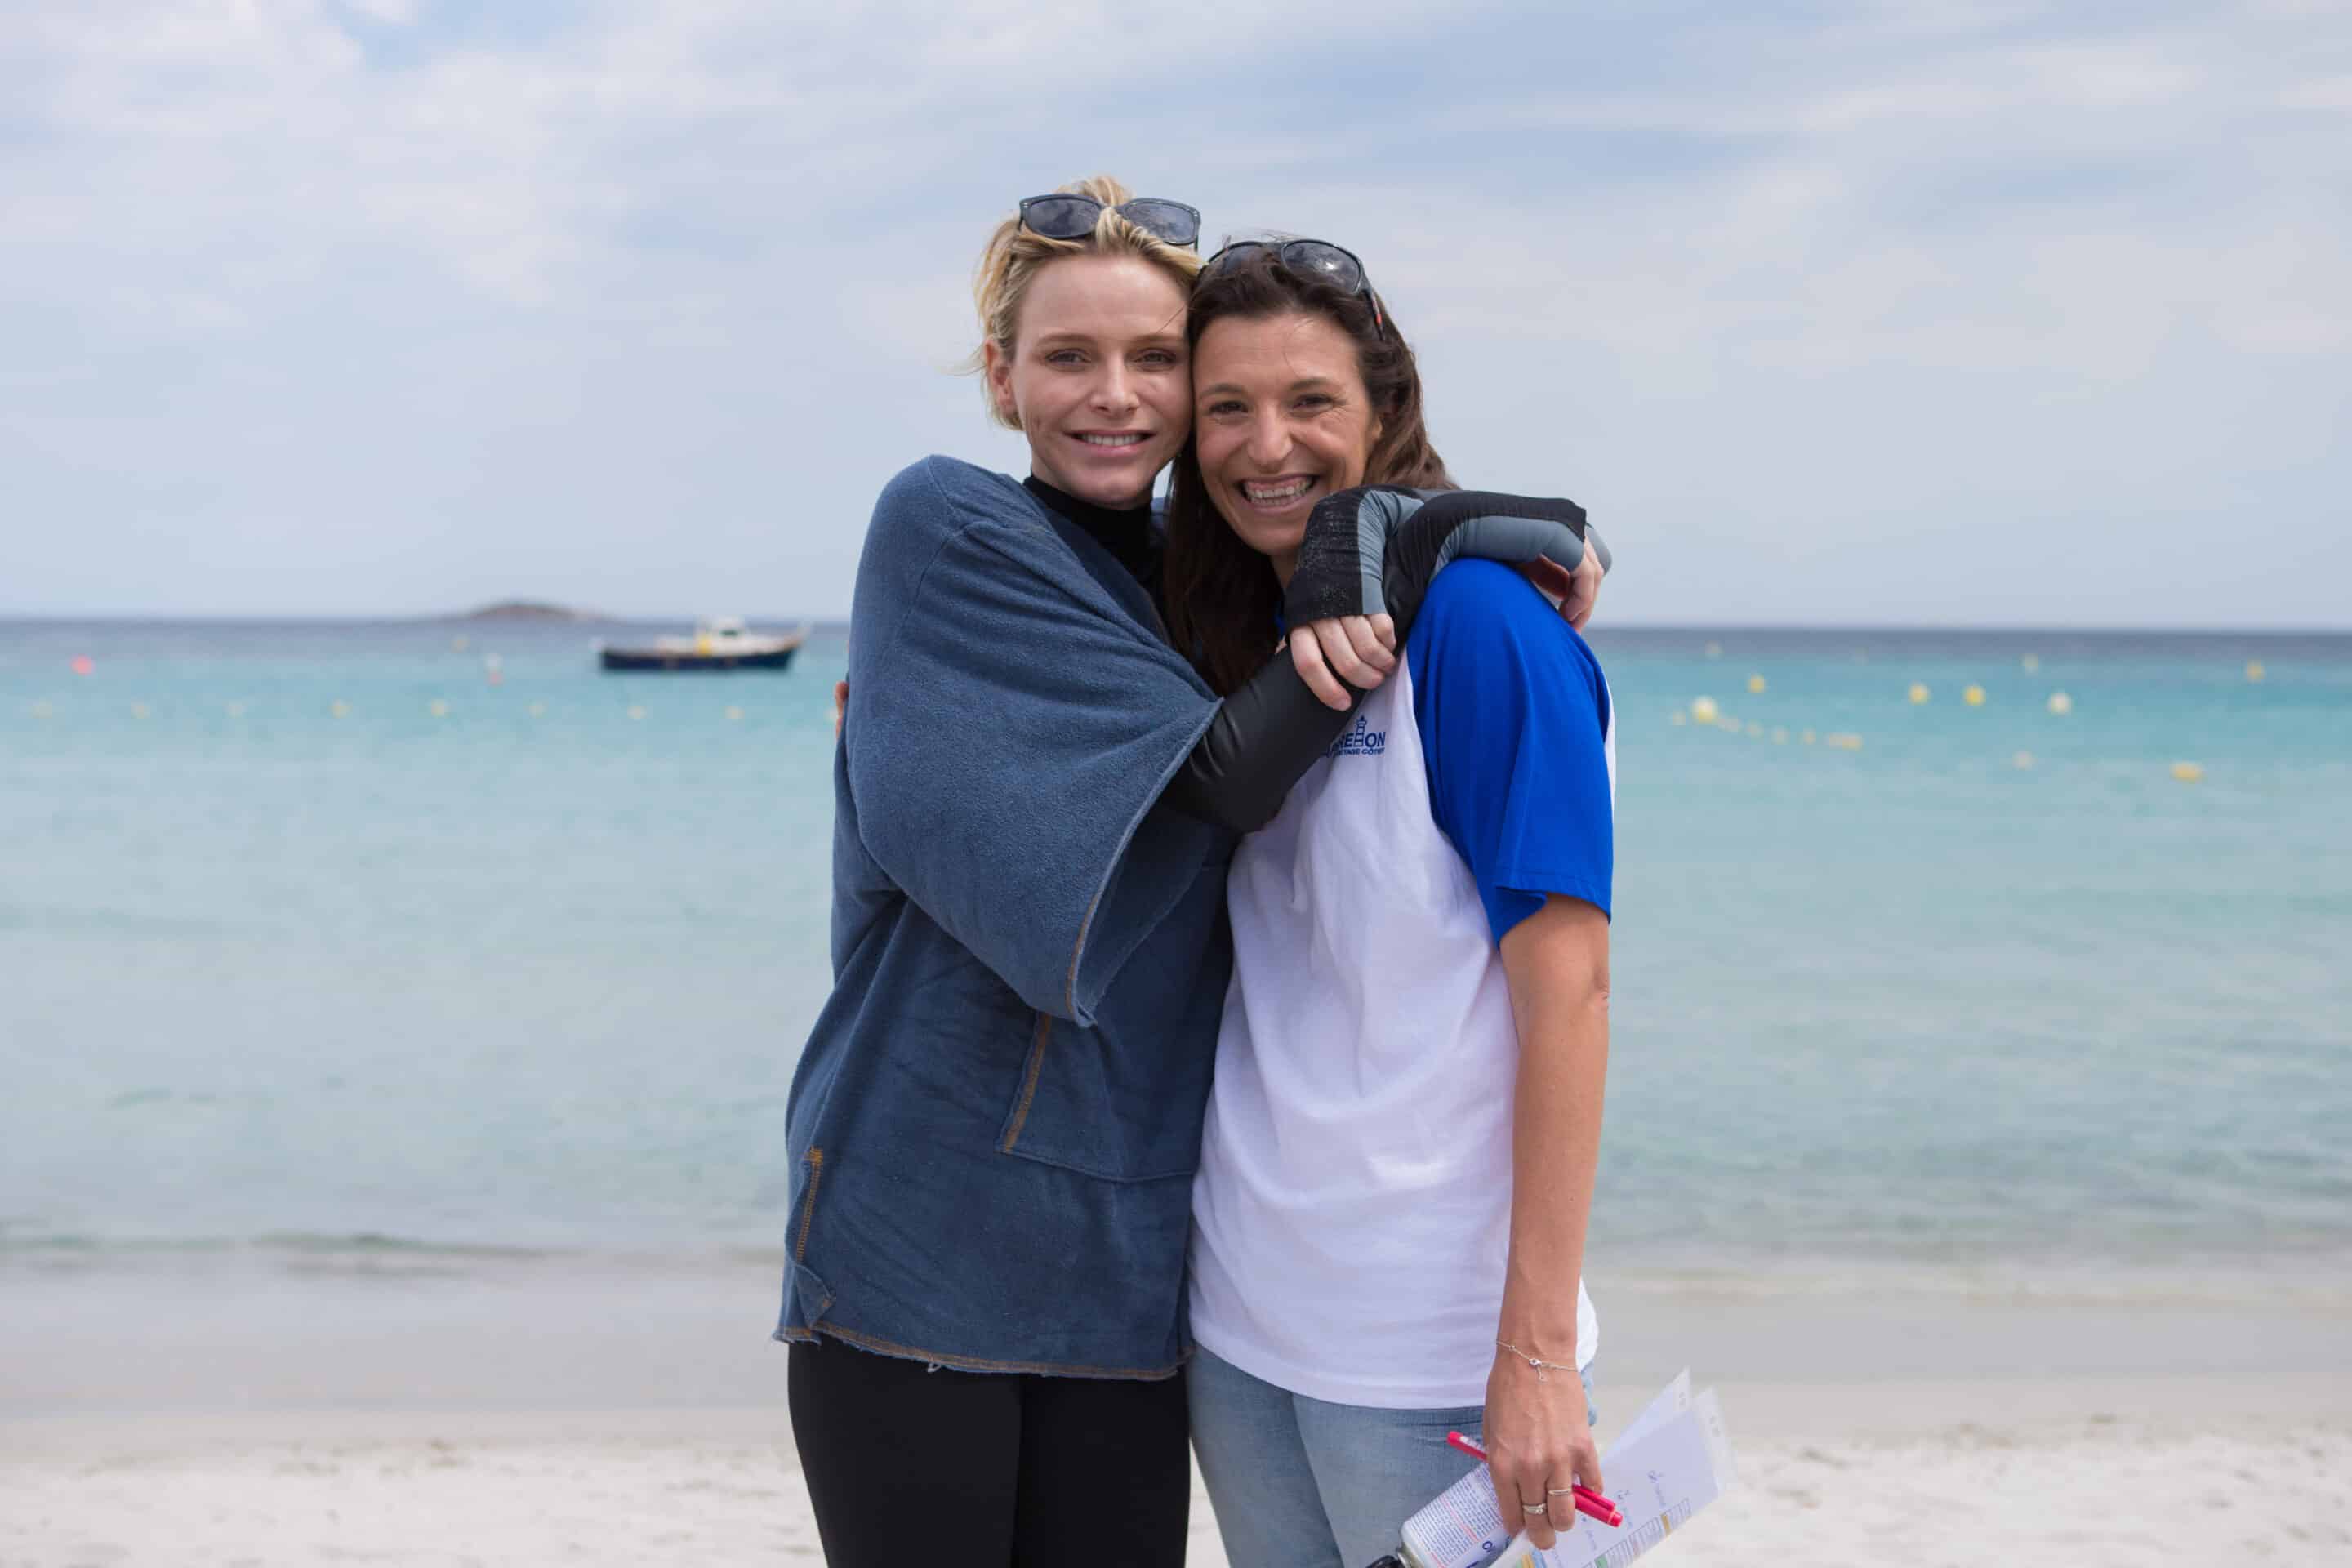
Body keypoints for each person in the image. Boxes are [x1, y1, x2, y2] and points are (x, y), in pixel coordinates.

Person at [777, 180, 1610, 1568]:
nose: (1117, 396)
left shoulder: (1212, 588)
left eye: (1157, 361)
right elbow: (1226, 775)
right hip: (931, 1242)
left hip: (1144, 1276)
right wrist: (1429, 528)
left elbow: (1541, 957)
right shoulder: (949, 531)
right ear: (1000, 376)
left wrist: (1480, 532)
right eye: (1066, 357)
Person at [1168, 240, 1616, 1568]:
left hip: (1434, 1351)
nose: (1269, 446)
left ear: (1382, 412)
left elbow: (1573, 994)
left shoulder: (1481, 626)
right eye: (1226, 410)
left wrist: (1535, 1357)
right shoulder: (1236, 636)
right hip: (1241, 1322)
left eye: (1310, 402)